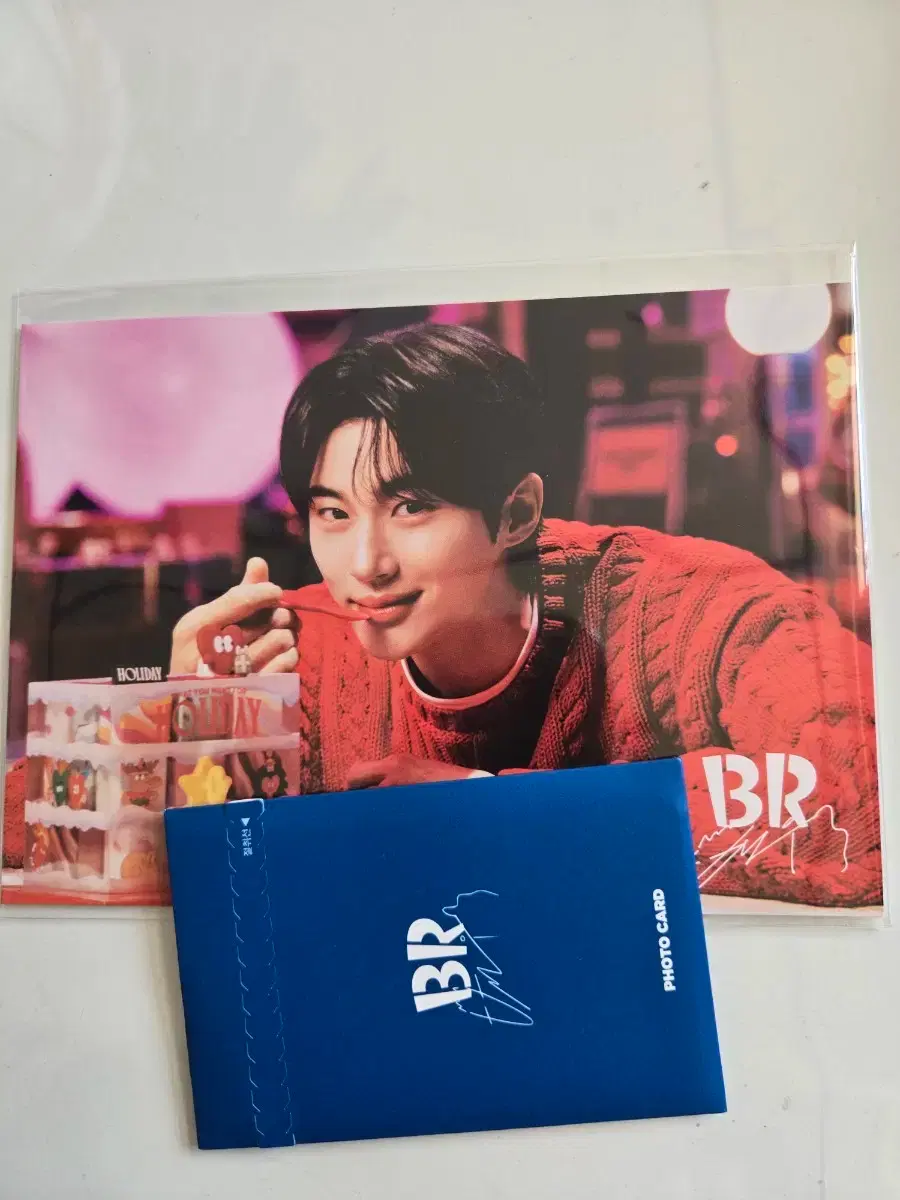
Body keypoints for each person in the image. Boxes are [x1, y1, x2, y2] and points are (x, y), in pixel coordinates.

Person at [169, 324, 880, 905]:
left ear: (516, 513)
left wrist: (490, 811)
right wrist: (176, 746)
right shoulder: (283, 658)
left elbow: (869, 801)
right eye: (333, 513)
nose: (365, 563)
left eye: (411, 507)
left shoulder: (693, 605)